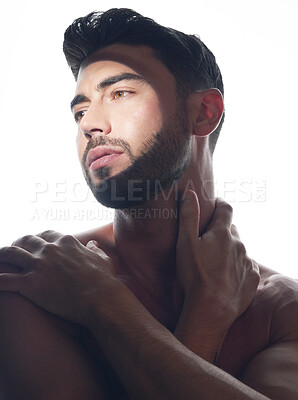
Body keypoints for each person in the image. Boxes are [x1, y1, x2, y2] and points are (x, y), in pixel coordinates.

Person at [0, 8, 297, 399]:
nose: (90, 123)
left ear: (204, 113)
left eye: (120, 93)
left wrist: (102, 304)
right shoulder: (33, 278)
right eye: (80, 110)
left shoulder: (281, 312)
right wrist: (204, 322)